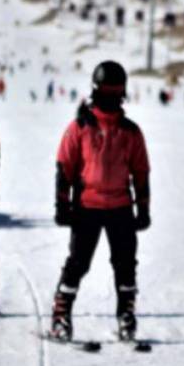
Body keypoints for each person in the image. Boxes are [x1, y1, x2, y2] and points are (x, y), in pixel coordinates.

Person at [51, 61, 151, 342]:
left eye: (115, 93)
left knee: (125, 264)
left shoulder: (130, 131)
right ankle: (61, 315)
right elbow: (65, 167)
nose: (110, 98)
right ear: (96, 92)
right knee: (78, 264)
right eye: (106, 92)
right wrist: (62, 205)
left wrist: (143, 208)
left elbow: (140, 171)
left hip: (120, 207)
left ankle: (126, 316)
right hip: (88, 207)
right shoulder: (81, 127)